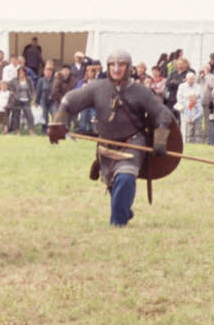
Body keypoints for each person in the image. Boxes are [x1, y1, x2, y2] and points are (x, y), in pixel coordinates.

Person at [48, 49, 173, 227]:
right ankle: (124, 210)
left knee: (125, 178)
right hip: (106, 146)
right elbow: (69, 100)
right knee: (116, 185)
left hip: (133, 143)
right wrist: (58, 121)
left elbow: (162, 114)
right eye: (112, 65)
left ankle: (118, 223)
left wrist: (160, 139)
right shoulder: (98, 88)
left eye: (121, 64)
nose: (116, 69)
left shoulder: (140, 91)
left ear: (129, 68)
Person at [8, 68, 34, 135]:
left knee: (29, 116)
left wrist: (31, 96)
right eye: (19, 72)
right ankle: (17, 131)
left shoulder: (28, 80)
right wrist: (13, 92)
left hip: (26, 100)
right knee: (16, 116)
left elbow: (32, 88)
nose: (21, 73)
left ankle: (31, 131)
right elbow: (8, 85)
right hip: (17, 100)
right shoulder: (14, 80)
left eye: (22, 72)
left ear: (25, 72)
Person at [34, 65, 55, 134]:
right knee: (44, 114)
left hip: (52, 101)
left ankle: (54, 129)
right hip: (43, 100)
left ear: (52, 72)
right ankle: (44, 129)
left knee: (55, 113)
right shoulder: (41, 80)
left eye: (50, 71)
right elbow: (38, 91)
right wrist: (36, 101)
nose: (48, 72)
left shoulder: (55, 80)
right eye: (46, 71)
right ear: (44, 72)